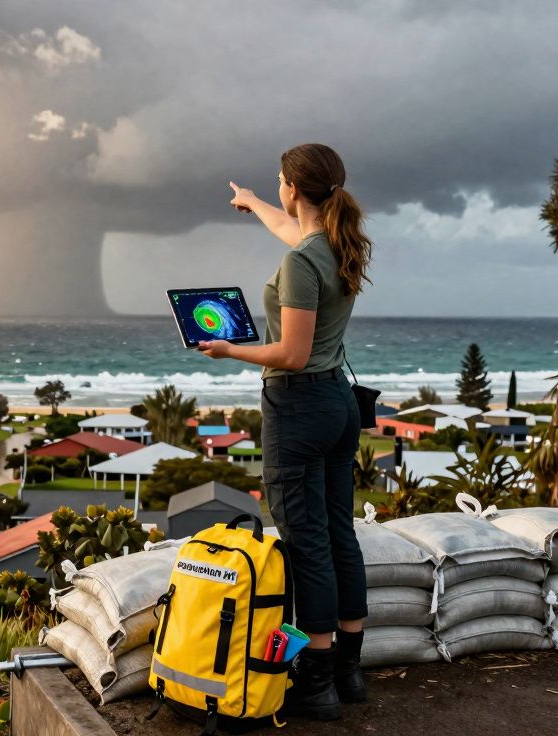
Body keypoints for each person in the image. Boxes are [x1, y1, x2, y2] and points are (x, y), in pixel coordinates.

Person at [197, 143, 373, 721]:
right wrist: (250, 202)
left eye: (276, 182)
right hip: (339, 405)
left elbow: (292, 354)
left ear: (294, 189)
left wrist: (229, 349)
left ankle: (316, 684)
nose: (276, 191)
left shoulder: (302, 262)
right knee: (338, 533)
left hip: (299, 406)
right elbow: (290, 230)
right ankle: (349, 672)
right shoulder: (336, 245)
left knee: (308, 545)